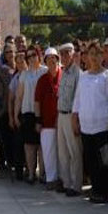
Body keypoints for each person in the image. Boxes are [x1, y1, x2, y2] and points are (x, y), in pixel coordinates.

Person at [72, 41, 108, 203]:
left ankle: (104, 192)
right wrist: (75, 119)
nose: (93, 57)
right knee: (91, 159)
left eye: (97, 54)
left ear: (102, 56)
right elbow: (77, 100)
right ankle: (95, 189)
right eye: (91, 54)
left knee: (103, 161)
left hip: (102, 125)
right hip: (86, 126)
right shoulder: (83, 76)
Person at [15, 46, 48, 184]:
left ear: (39, 55)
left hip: (42, 112)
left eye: (34, 55)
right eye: (28, 57)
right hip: (28, 112)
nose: (31, 58)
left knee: (42, 145)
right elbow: (19, 96)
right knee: (29, 145)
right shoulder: (24, 74)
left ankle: (42, 174)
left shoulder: (45, 71)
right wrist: (16, 114)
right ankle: (31, 173)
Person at [56, 43, 82, 196]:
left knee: (75, 151)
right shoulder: (64, 72)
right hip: (61, 114)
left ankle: (76, 185)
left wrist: (76, 118)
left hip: (72, 115)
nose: (64, 57)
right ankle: (66, 182)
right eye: (62, 54)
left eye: (67, 53)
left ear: (73, 54)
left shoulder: (78, 73)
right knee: (63, 152)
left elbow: (78, 98)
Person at [35, 48, 62, 191]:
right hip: (46, 122)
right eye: (49, 58)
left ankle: (62, 179)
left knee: (62, 152)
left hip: (63, 121)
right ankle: (51, 179)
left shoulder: (63, 76)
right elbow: (37, 102)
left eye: (54, 58)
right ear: (45, 61)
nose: (52, 61)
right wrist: (38, 120)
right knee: (48, 151)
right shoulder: (42, 80)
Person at [8, 51, 28, 180]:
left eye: (22, 61)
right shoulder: (15, 78)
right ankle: (19, 170)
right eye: (18, 62)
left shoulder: (32, 75)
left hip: (30, 112)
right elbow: (10, 99)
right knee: (19, 144)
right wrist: (11, 117)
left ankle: (30, 169)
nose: (20, 64)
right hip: (19, 113)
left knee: (30, 144)